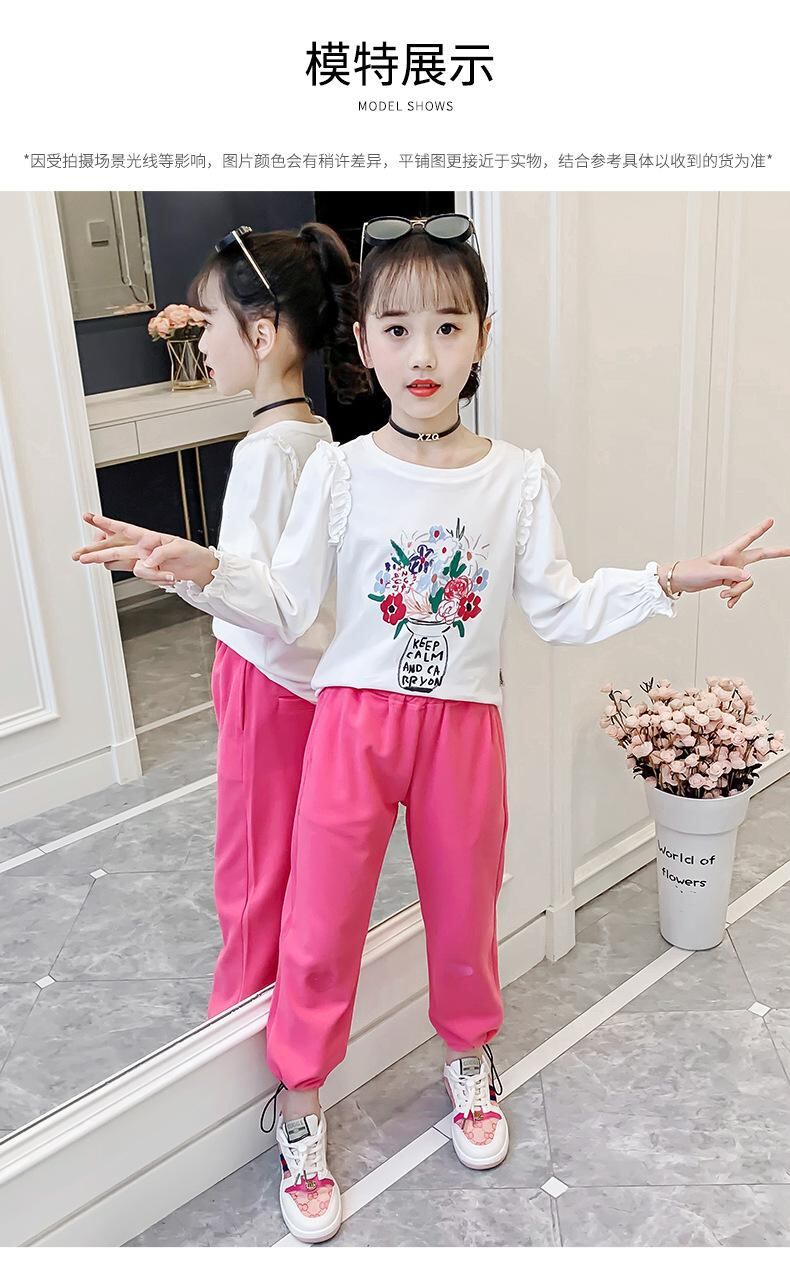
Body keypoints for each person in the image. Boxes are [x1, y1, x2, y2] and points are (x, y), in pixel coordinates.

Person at [80, 212, 789, 1244]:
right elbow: (287, 603)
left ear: (481, 338)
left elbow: (559, 607)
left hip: (462, 729)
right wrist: (200, 564)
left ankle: (468, 1056)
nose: (424, 353)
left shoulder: (516, 478)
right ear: (364, 344)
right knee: (320, 923)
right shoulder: (339, 470)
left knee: (464, 911)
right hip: (352, 727)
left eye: (448, 326)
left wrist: (669, 578)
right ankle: (299, 1098)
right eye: (398, 327)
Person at [74, 222, 366, 1019]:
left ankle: (238, 1017)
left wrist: (188, 567)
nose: (200, 344)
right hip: (299, 684)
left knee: (250, 864)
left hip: (264, 683)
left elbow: (268, 603)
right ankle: (287, 1003)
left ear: (262, 336)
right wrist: (187, 566)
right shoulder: (314, 437)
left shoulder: (269, 454)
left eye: (207, 326)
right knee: (289, 857)